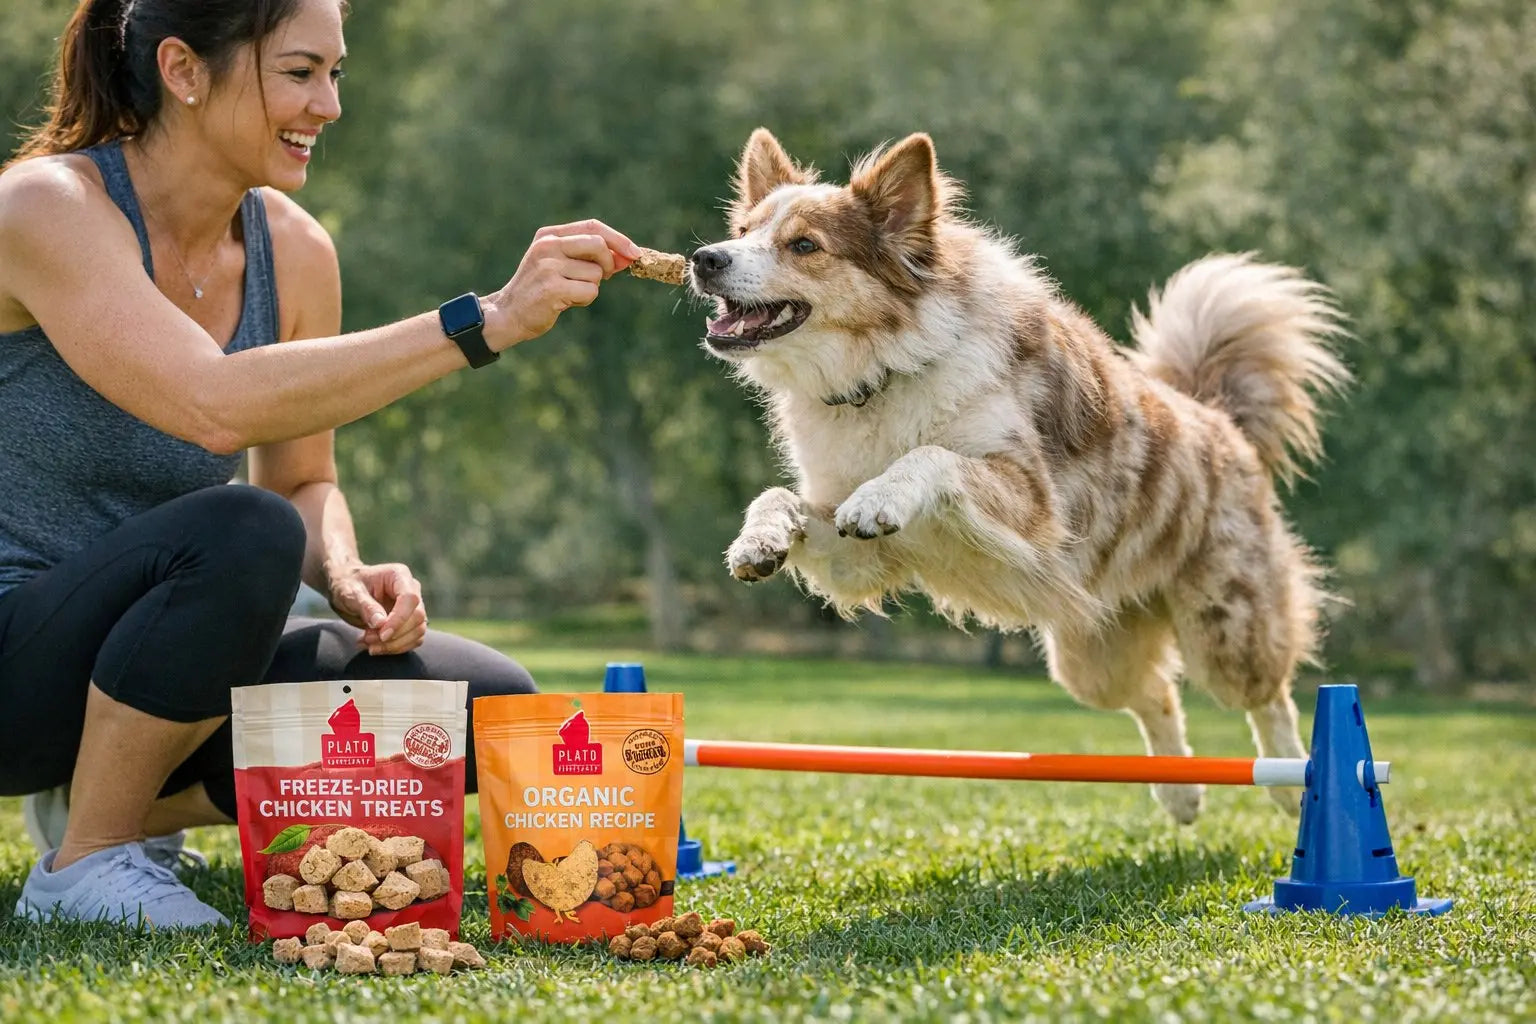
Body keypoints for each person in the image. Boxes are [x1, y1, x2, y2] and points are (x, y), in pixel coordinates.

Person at [0, 0, 640, 927]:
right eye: (300, 73)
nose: (330, 105)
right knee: (242, 530)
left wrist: (341, 572)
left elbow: (301, 481)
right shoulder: (44, 208)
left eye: (335, 74)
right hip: (14, 657)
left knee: (481, 708)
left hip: (151, 658)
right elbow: (210, 402)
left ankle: (112, 793)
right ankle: (85, 865)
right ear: (184, 71)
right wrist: (484, 321)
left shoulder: (293, 250)